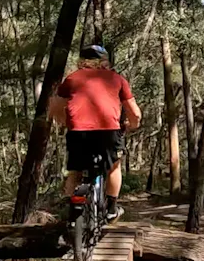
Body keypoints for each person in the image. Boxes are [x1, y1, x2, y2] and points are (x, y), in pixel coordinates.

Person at [49, 44, 140, 222]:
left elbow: (55, 107)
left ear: (82, 61)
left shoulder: (72, 79)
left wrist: (66, 123)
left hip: (78, 133)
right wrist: (132, 124)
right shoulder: (117, 79)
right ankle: (112, 209)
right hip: (109, 132)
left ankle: (73, 213)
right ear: (105, 60)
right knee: (114, 166)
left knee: (75, 171)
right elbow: (134, 112)